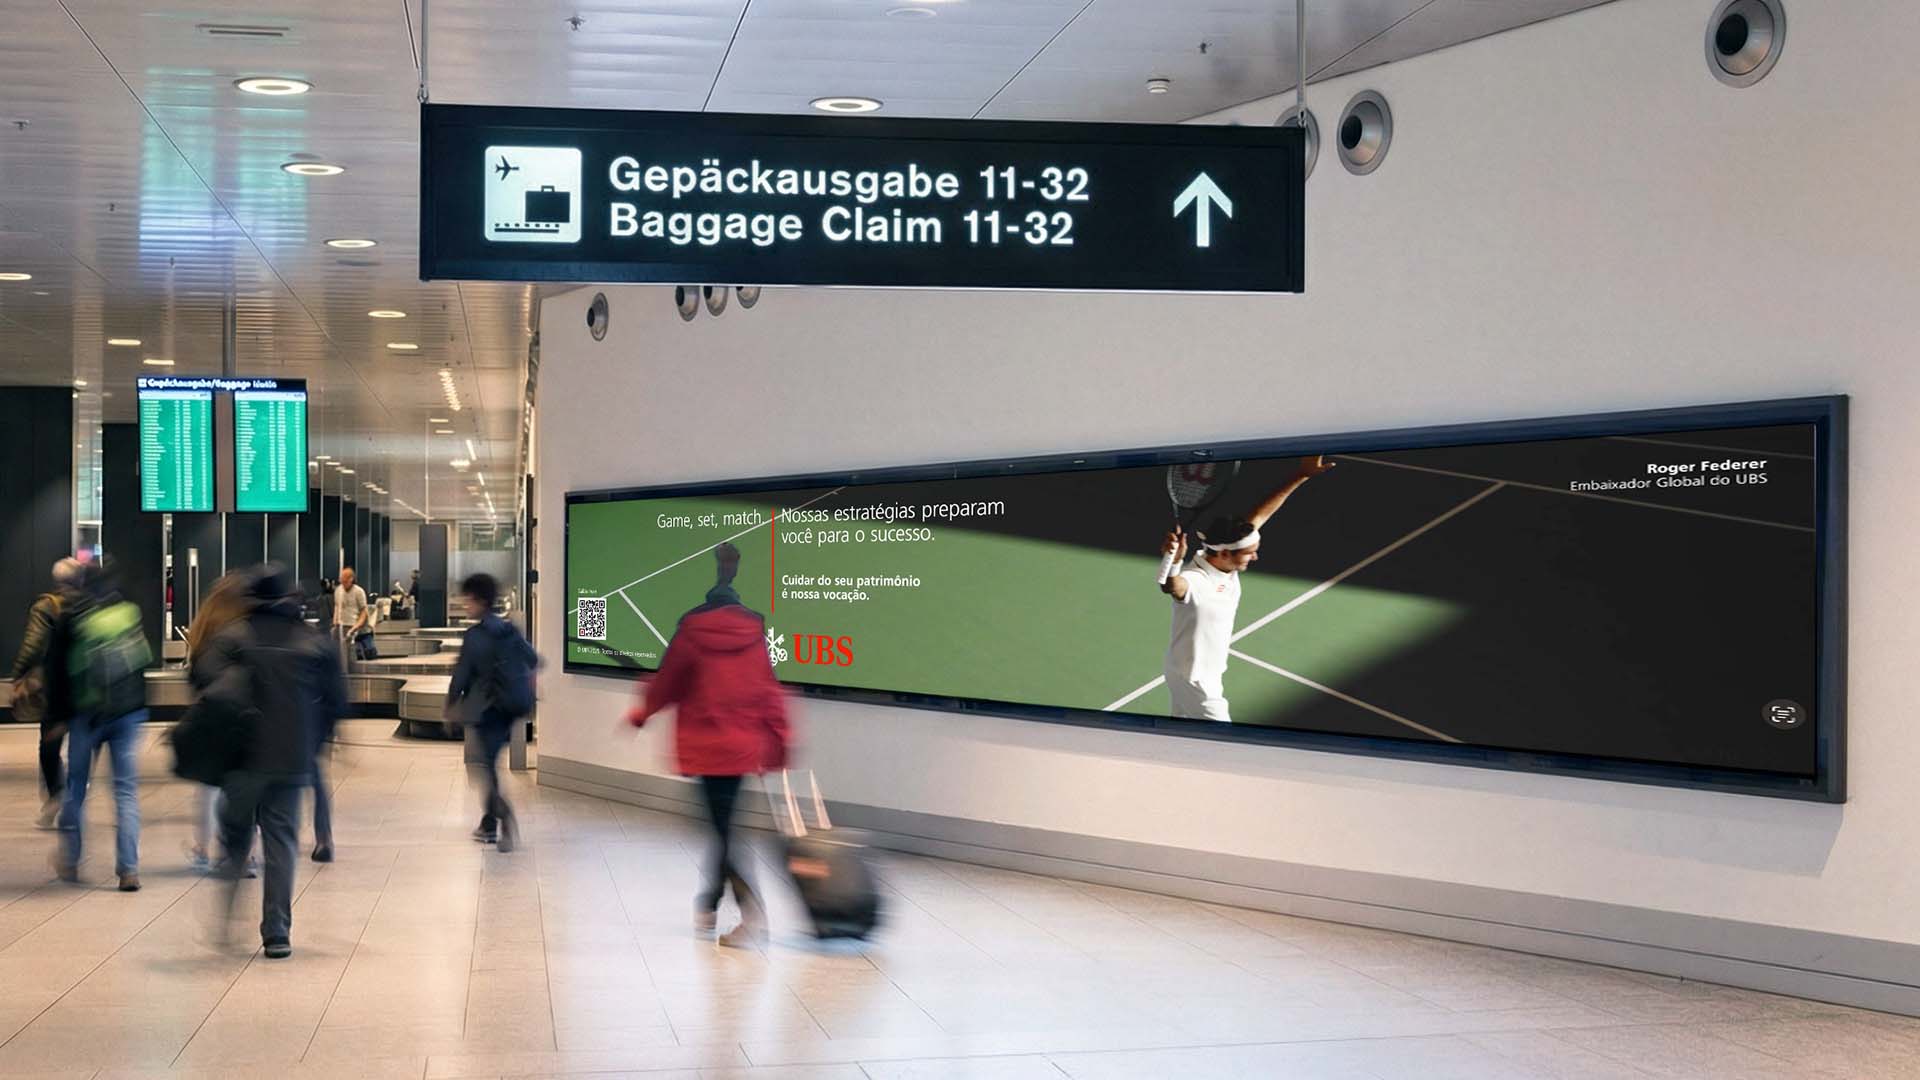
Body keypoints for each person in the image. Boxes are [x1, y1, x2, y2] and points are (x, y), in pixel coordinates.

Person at [624, 543, 791, 948]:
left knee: (724, 831)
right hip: (743, 746)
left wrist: (641, 714)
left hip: (707, 745)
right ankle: (709, 902)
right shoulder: (753, 633)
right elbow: (767, 690)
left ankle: (751, 914)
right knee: (724, 827)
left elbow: (667, 683)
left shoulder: (690, 631)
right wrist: (781, 741)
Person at [200, 565, 345, 959]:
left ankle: (227, 924)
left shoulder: (232, 638)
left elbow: (202, 681)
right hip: (292, 758)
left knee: (236, 838)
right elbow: (336, 699)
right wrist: (313, 738)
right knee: (281, 842)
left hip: (242, 758)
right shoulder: (312, 643)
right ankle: (277, 932)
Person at [1158, 455, 1335, 723]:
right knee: (1224, 744)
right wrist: (1172, 561)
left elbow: (1260, 514)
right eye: (1249, 554)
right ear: (1225, 554)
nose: (1255, 557)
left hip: (1195, 672)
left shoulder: (1232, 547)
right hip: (1196, 682)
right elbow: (1171, 585)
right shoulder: (1196, 580)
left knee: (1182, 736)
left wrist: (1301, 475)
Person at [48, 561, 152, 891]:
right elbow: (141, 665)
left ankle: (71, 860)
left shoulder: (72, 619)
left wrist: (56, 718)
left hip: (86, 716)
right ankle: (129, 869)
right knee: (125, 791)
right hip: (127, 713)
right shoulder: (129, 613)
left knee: (77, 788)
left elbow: (57, 672)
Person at [445, 572, 538, 853]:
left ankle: (502, 815)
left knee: (483, 767)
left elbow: (461, 675)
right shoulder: (511, 630)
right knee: (489, 763)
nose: (465, 605)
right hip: (509, 708)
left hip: (485, 711)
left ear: (480, 601)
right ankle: (488, 823)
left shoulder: (474, 636)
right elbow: (533, 659)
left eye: (468, 600)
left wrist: (449, 706)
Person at [184, 571, 260, 871]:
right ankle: (244, 850)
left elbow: (194, 675)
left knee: (209, 787)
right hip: (245, 718)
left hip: (210, 716)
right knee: (244, 789)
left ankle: (205, 847)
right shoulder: (246, 629)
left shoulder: (203, 626)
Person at [11, 558, 84, 829]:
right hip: (85, 686)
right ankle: (74, 801)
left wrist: (19, 673)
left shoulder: (48, 606)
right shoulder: (89, 605)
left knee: (49, 745)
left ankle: (56, 794)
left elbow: (33, 645)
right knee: (81, 743)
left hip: (55, 686)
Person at [333, 568, 369, 664]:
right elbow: (337, 607)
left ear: (351, 579)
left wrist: (355, 628)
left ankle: (351, 668)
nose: (343, 583)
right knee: (335, 650)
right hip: (340, 625)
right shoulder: (338, 590)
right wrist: (335, 622)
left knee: (348, 649)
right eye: (341, 580)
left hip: (353, 624)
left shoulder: (359, 591)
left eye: (345, 580)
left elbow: (364, 612)